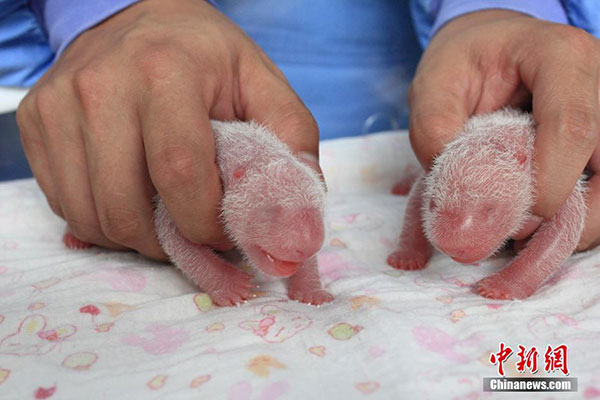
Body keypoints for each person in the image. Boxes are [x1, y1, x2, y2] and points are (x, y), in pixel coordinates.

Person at [2, 0, 600, 259]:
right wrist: (102, 12)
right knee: (144, 194)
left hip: (462, 93)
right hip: (155, 99)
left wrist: (497, 5)